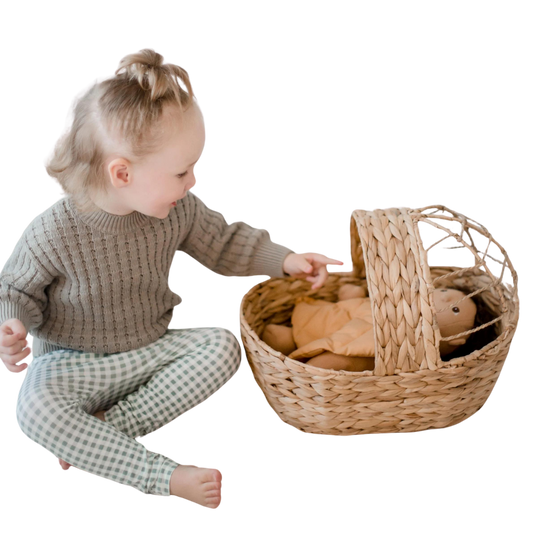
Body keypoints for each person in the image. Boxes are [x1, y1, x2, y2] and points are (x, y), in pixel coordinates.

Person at [0, 45, 346, 511]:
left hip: (149, 349)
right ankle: (164, 476)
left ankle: (100, 436)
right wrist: (12, 326)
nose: (194, 182)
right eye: (182, 171)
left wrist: (285, 259)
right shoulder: (52, 230)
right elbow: (13, 288)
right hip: (71, 364)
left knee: (224, 346)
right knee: (31, 410)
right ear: (122, 173)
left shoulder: (177, 210)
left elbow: (224, 242)